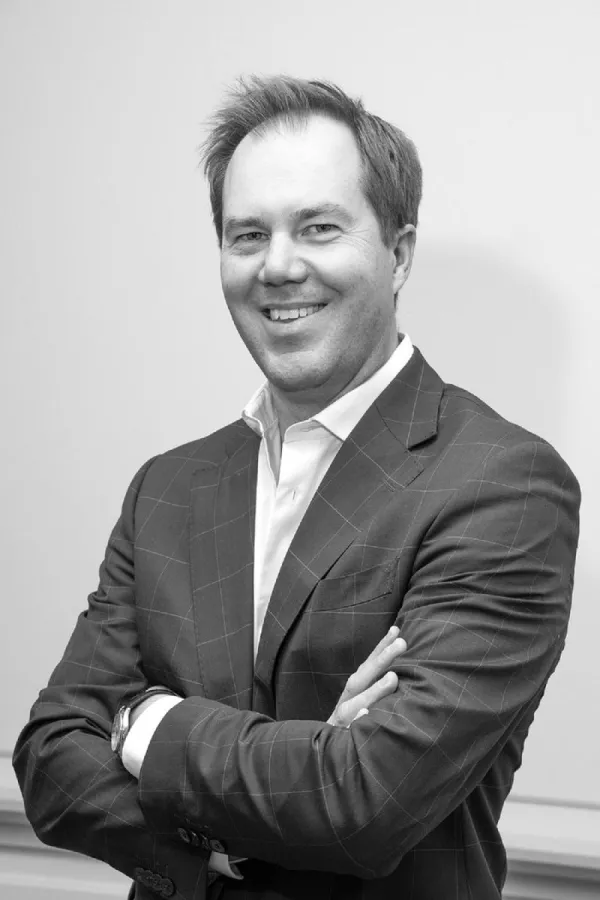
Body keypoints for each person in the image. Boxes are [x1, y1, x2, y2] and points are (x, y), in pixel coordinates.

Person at [13, 75, 580, 900]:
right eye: (248, 235)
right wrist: (250, 822)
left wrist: (141, 720)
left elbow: (365, 801)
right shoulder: (167, 488)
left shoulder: (504, 484)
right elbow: (51, 760)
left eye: (318, 227)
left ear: (398, 254)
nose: (278, 266)